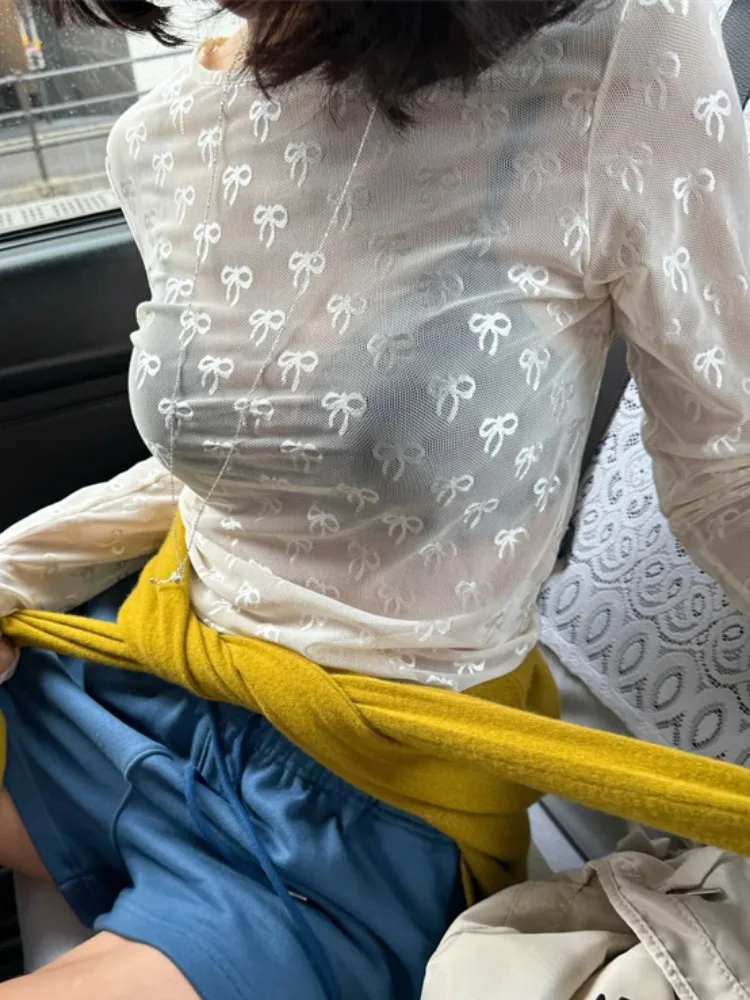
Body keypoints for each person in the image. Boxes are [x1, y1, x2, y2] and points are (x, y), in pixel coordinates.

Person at [0, 0, 749, 996]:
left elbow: (727, 473)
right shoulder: (163, 131)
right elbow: (220, 469)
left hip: (372, 790)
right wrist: (10, 572)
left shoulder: (620, 56)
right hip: (142, 668)